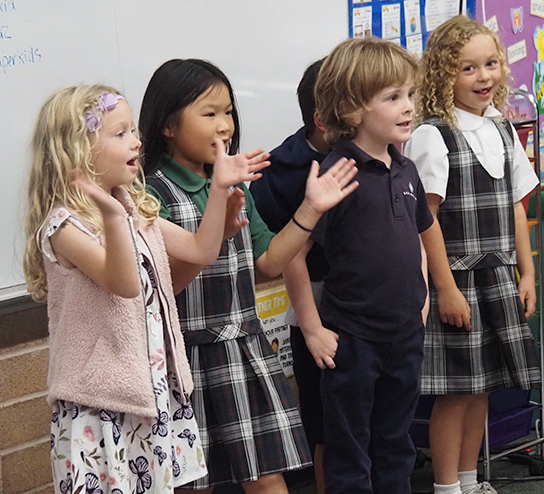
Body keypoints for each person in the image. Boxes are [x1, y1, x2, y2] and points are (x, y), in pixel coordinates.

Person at [23, 85, 271, 494]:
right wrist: (114, 218)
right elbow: (123, 283)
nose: (136, 141)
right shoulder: (64, 225)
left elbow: (200, 250)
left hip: (151, 395)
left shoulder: (133, 207)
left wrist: (220, 190)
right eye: (119, 133)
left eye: (133, 130)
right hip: (99, 405)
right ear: (78, 149)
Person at [137, 58, 358, 493]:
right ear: (167, 125)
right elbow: (161, 284)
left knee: (266, 475)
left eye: (228, 111)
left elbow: (270, 263)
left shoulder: (236, 186)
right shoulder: (150, 193)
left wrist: (310, 210)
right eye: (209, 113)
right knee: (189, 479)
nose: (224, 125)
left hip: (243, 348)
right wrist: (214, 231)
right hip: (184, 358)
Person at [284, 38, 466, 494]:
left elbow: (420, 236)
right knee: (349, 454)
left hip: (404, 336)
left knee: (396, 447)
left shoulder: (404, 168)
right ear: (351, 109)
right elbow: (293, 255)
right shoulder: (337, 173)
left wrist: (423, 296)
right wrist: (311, 329)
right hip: (353, 340)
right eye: (392, 97)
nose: (408, 107)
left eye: (409, 94)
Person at [404, 15, 541, 494]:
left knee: (483, 384)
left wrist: (527, 273)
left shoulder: (501, 128)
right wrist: (444, 288)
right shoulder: (433, 135)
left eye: (491, 64)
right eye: (468, 68)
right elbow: (426, 222)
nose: (484, 77)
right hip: (457, 280)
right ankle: (446, 486)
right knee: (455, 392)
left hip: (498, 277)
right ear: (443, 75)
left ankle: (469, 478)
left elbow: (516, 207)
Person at [249, 59, 328, 494]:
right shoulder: (282, 170)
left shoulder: (385, 153)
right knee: (326, 422)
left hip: (378, 305)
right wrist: (312, 325)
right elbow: (283, 254)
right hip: (315, 308)